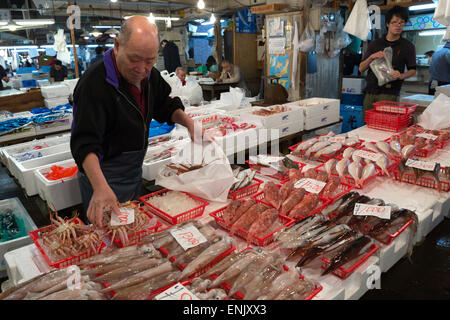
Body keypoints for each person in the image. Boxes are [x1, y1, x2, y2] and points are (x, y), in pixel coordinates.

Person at [70, 16, 199, 227]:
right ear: (118, 46)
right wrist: (100, 187)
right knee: (109, 242)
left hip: (132, 172)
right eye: (134, 59)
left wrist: (190, 124)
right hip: (101, 176)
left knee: (134, 234)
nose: (141, 69)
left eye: (149, 60)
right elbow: (84, 143)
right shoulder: (93, 84)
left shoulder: (150, 76)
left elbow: (165, 106)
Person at [358, 5, 416, 118]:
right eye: (394, 22)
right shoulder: (375, 44)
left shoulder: (408, 46)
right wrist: (371, 57)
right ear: (387, 24)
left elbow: (413, 70)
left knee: (386, 124)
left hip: (390, 93)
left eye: (401, 22)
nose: (398, 25)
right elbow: (361, 68)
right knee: (367, 124)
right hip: (370, 91)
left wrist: (401, 75)